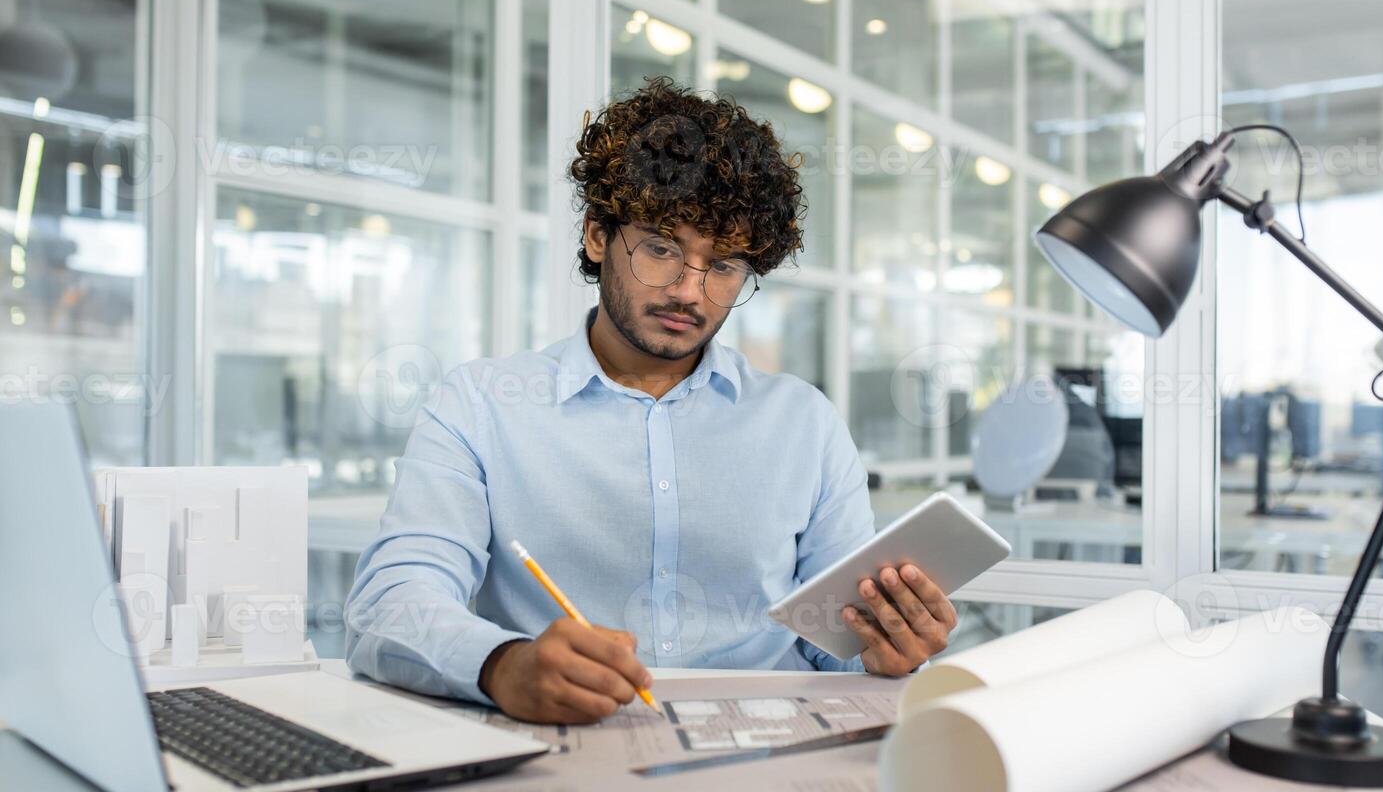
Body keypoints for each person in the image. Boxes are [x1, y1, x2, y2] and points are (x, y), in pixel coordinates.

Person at [346, 78, 957, 723]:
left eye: (722, 265)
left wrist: (884, 650)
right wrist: (503, 665)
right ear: (597, 236)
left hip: (769, 749)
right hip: (564, 750)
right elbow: (391, 604)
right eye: (662, 249)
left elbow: (835, 644)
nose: (690, 291)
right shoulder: (481, 404)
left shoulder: (802, 421)